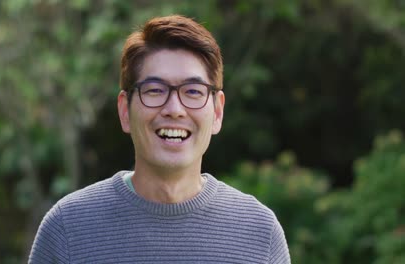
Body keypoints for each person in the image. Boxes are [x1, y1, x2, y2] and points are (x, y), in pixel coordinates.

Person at [29, 15, 290, 264]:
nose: (174, 109)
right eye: (154, 90)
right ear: (125, 111)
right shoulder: (68, 228)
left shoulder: (260, 234)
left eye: (192, 91)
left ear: (217, 112)